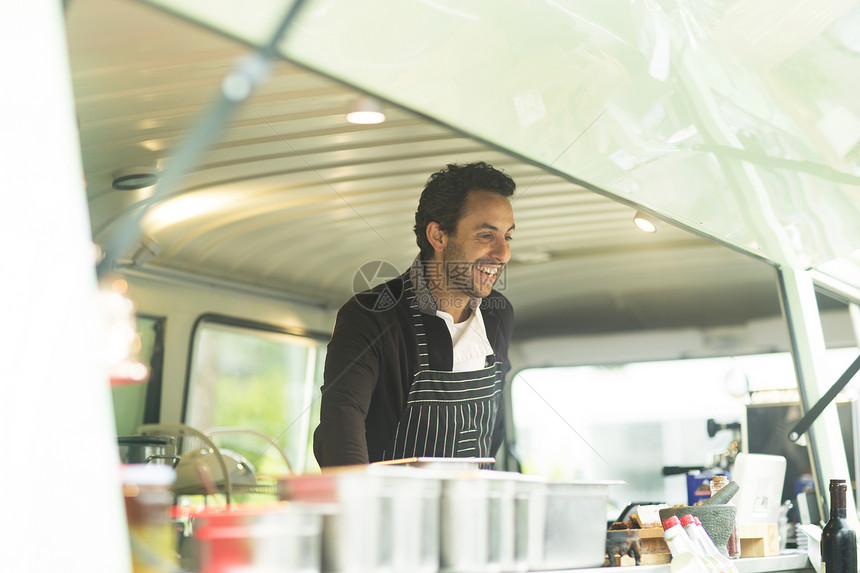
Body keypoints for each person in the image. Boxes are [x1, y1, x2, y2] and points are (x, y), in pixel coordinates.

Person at [313, 161, 516, 467]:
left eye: (508, 236)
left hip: (469, 509)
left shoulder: (499, 316)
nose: (503, 253)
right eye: (486, 236)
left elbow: (493, 433)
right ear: (438, 236)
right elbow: (341, 428)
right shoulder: (371, 316)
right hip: (386, 510)